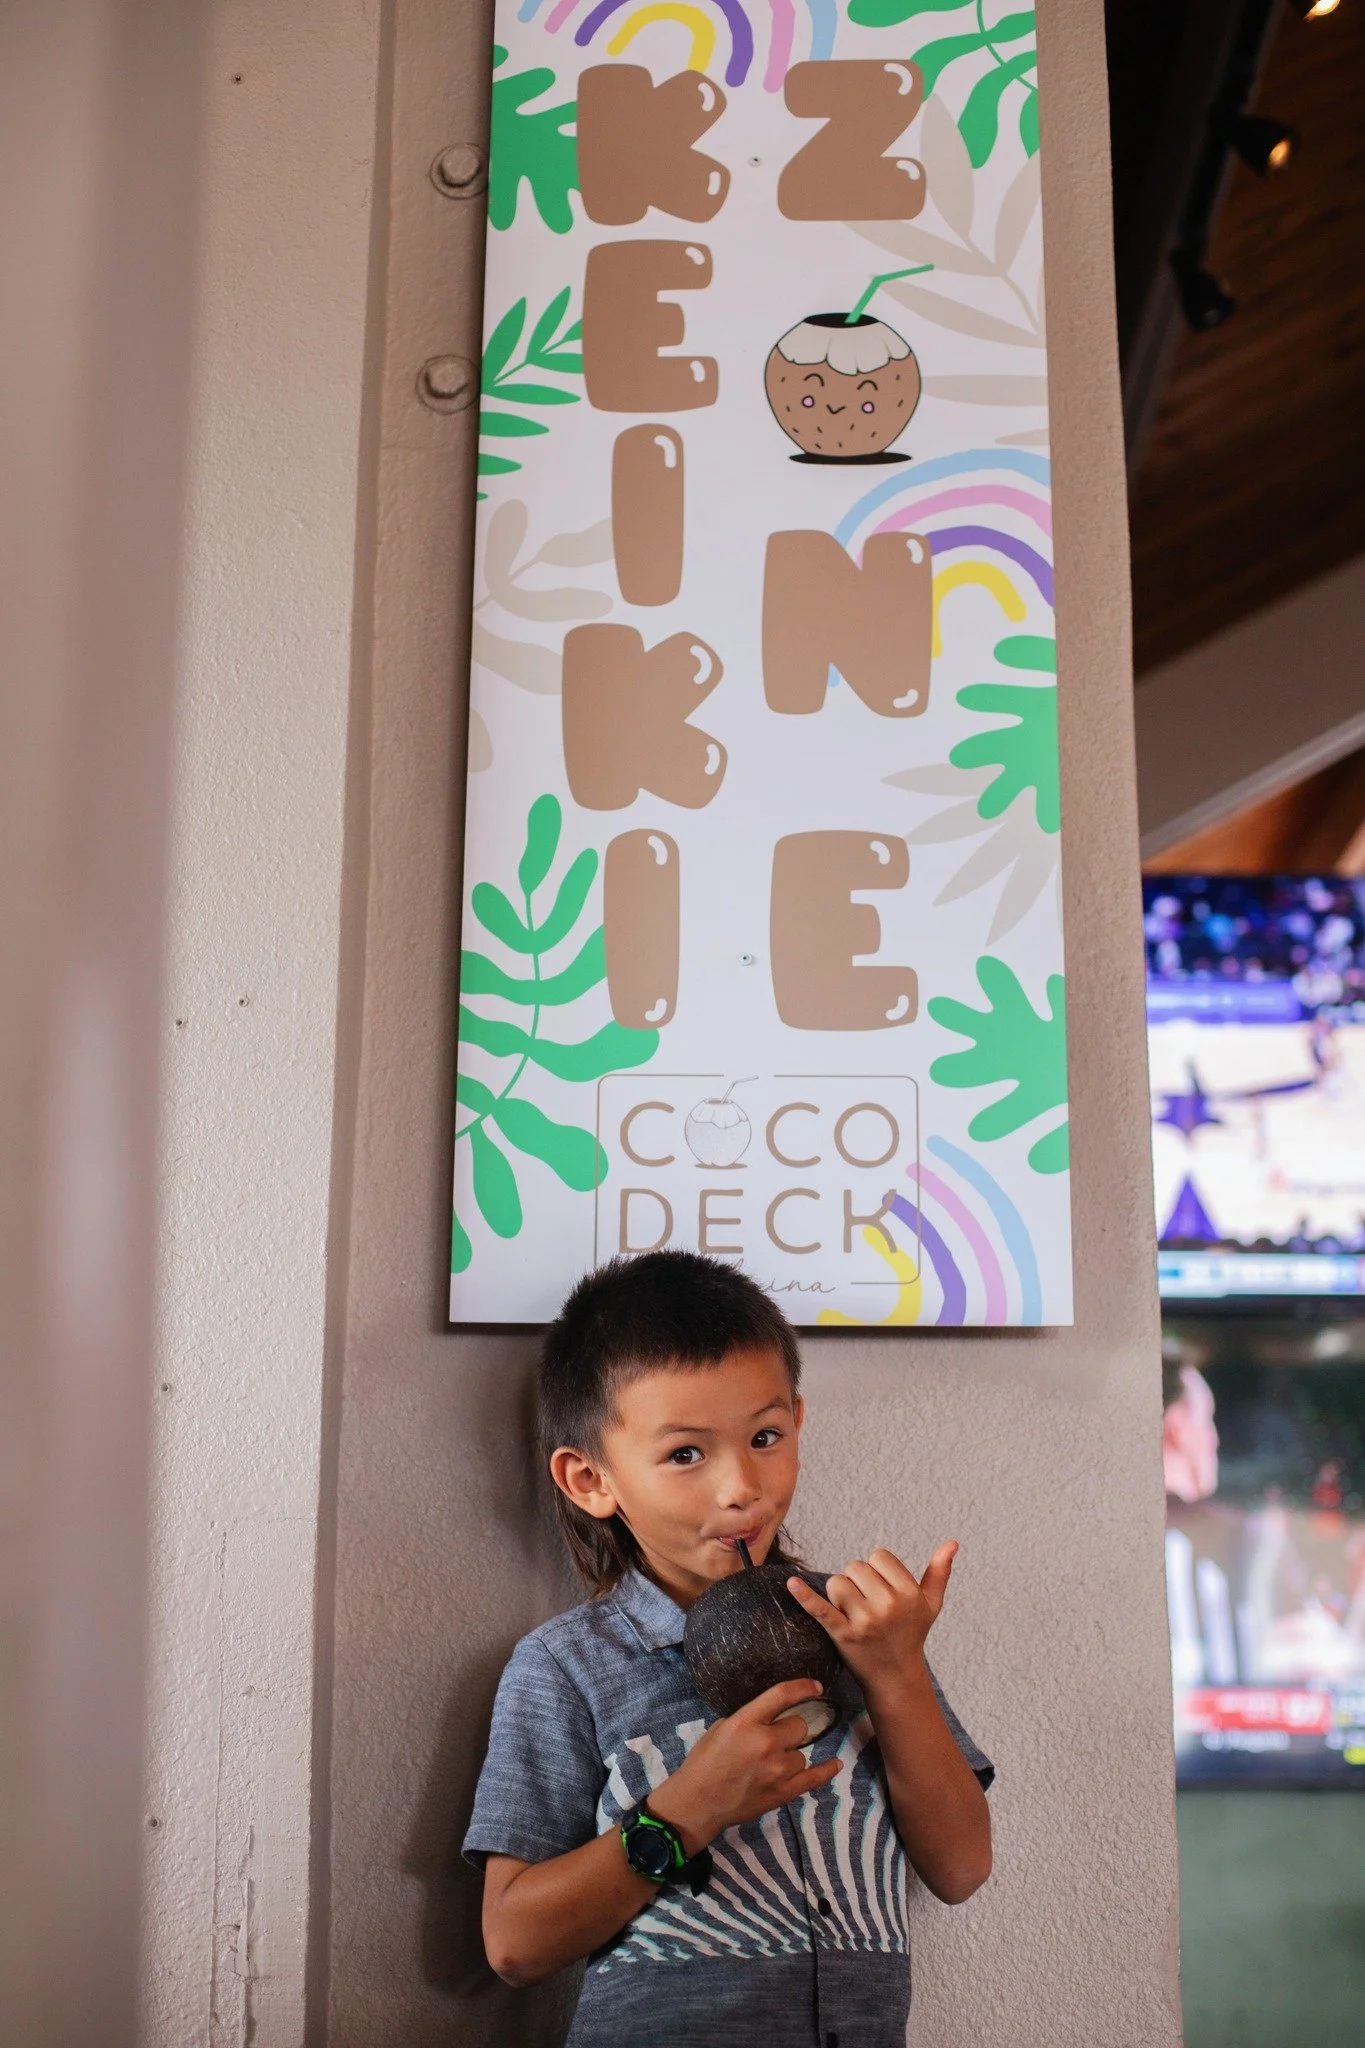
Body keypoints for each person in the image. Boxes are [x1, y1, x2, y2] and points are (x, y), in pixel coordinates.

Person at [463, 1250, 993, 2047]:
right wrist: (686, 1810)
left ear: (798, 1423)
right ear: (588, 1480)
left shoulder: (862, 1633)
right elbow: (513, 1943)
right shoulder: (567, 1666)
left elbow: (958, 1868)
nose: (741, 1486)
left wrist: (896, 1674)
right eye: (685, 1454)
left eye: (765, 1435)